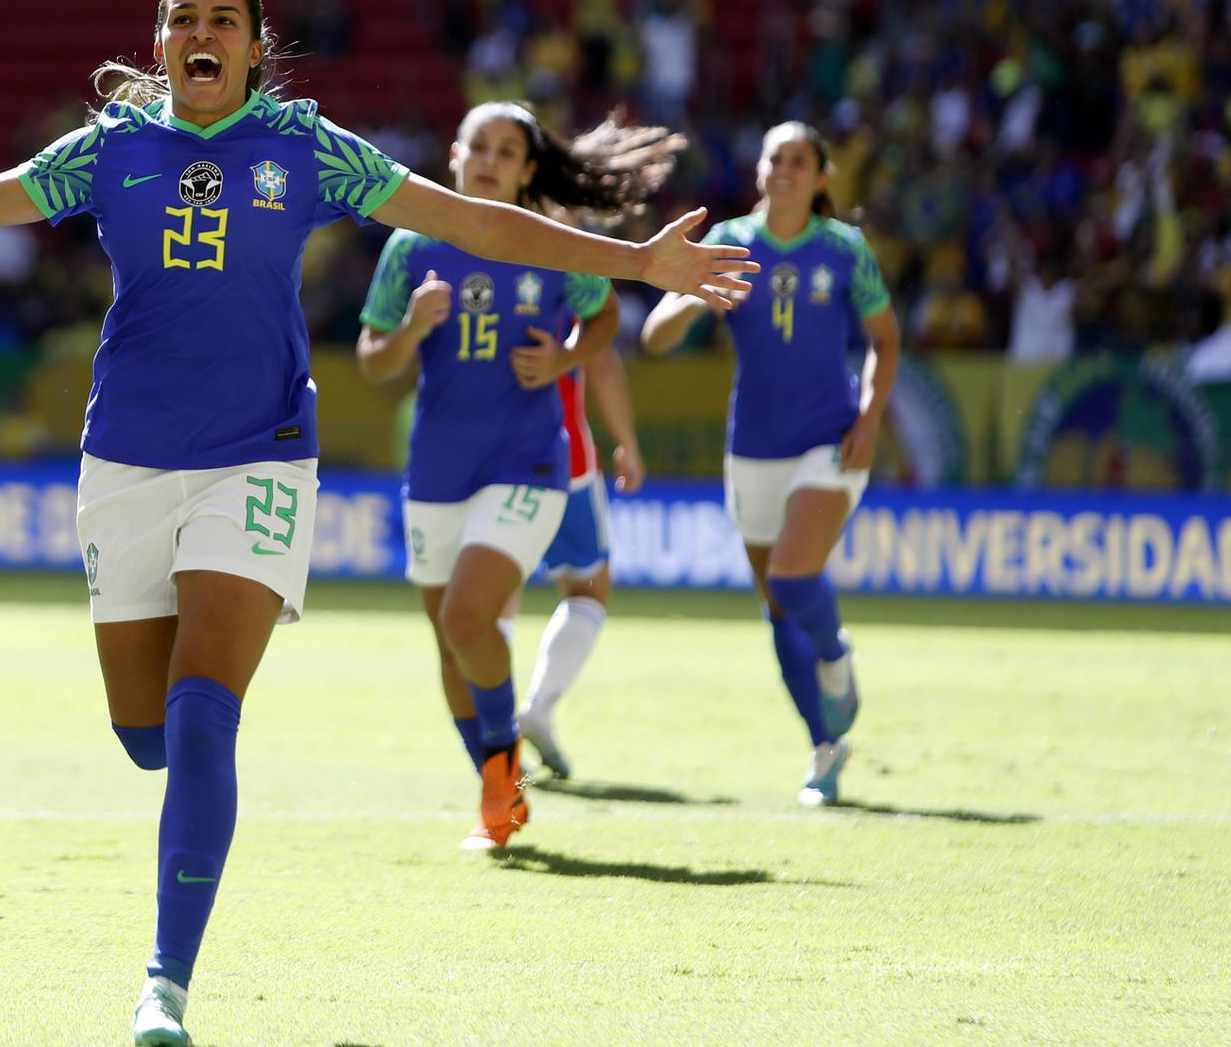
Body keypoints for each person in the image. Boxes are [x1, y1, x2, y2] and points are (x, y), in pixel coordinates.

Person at [0, 0, 756, 1044]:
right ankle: (192, 811)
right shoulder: (109, 149)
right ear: (160, 43)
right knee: (144, 734)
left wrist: (636, 261)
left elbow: (474, 225)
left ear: (258, 46)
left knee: (207, 714)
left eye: (223, 18)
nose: (201, 33)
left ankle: (166, 984)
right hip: (126, 461)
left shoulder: (306, 146)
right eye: (182, 19)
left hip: (260, 458)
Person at [355, 101, 681, 849]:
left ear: (529, 170)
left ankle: (502, 776)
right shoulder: (411, 246)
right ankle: (498, 782)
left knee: (470, 616)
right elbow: (375, 360)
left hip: (529, 464)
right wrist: (410, 329)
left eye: (508, 151)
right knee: (448, 642)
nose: (491, 160)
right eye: (480, 146)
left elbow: (602, 322)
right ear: (454, 154)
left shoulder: (550, 244)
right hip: (438, 467)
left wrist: (566, 356)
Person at [641, 120, 899, 807]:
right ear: (759, 171)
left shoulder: (845, 249)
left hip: (830, 440)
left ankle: (838, 657)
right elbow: (655, 335)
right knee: (777, 607)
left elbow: (884, 339)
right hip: (751, 447)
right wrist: (695, 296)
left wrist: (870, 420)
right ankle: (825, 746)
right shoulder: (728, 243)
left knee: (792, 573)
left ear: (820, 178)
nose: (783, 169)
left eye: (798, 160)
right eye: (773, 157)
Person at [515, 334, 645, 780]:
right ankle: (537, 706)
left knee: (489, 595)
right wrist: (626, 440)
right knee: (587, 589)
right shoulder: (576, 270)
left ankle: (491, 739)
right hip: (561, 457)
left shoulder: (460, 264)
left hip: (478, 460)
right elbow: (602, 356)